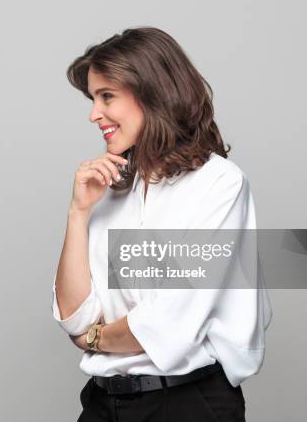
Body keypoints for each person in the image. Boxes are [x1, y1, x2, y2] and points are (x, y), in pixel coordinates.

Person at [51, 27, 273, 422]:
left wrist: (95, 337)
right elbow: (74, 315)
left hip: (186, 403)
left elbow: (170, 322)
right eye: (92, 98)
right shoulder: (110, 189)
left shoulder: (218, 184)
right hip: (103, 402)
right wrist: (78, 212)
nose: (93, 114)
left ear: (151, 93)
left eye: (107, 97)